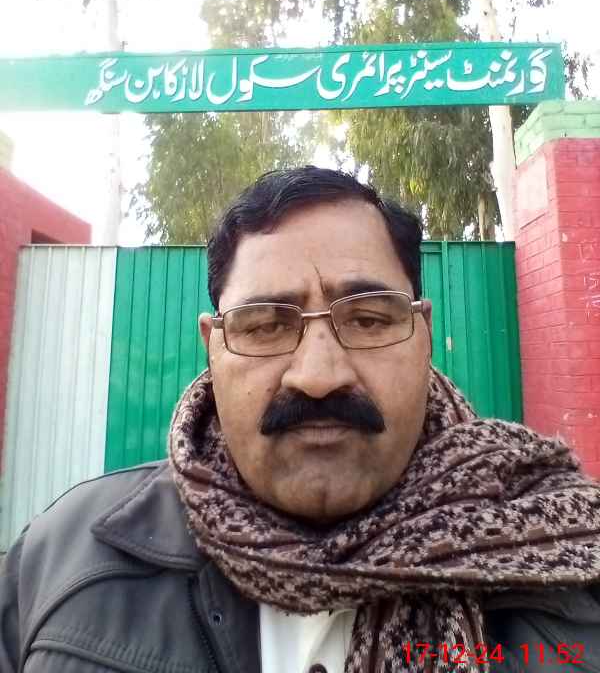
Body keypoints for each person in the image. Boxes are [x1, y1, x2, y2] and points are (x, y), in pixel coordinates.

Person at [2, 165, 600, 673]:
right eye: (265, 325)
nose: (318, 376)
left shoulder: (570, 570)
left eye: (368, 319)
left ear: (423, 334)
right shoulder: (59, 567)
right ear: (213, 348)